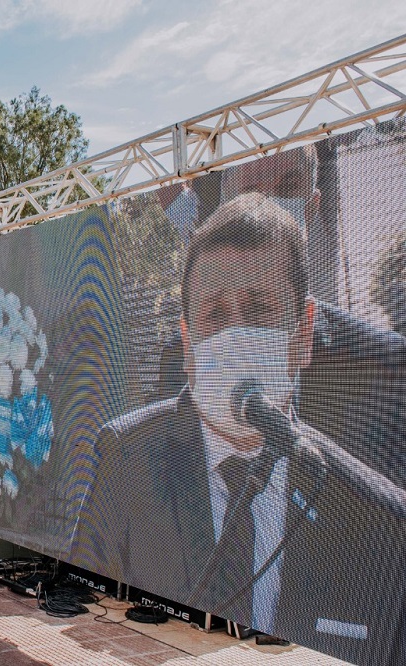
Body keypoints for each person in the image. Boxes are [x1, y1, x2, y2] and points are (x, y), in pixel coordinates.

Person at [87, 193, 405, 666]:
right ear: (188, 341)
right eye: (215, 315)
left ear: (303, 333)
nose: (234, 337)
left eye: (258, 310)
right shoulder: (127, 453)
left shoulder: (377, 516)